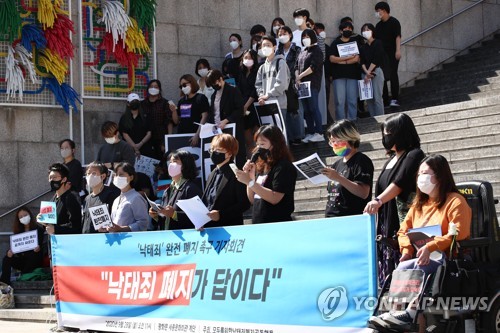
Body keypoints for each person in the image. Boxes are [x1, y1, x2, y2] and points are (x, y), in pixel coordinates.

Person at [368, 154, 472, 328]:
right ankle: (395, 313)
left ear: (439, 176)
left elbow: (459, 234)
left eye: (425, 173)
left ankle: (410, 312)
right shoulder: (419, 204)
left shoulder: (455, 201)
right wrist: (407, 249)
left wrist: (431, 246)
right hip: (422, 256)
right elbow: (403, 231)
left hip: (449, 259)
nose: (420, 178)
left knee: (421, 268)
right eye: (419, 174)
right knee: (402, 267)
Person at [363, 113, 425, 284]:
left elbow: (399, 184)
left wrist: (378, 200)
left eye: (389, 133)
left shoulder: (414, 154)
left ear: (401, 133)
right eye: (383, 134)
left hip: (404, 219)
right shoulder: (391, 159)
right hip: (387, 220)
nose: (385, 138)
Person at [236, 125, 297, 224]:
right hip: (259, 223)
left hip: (277, 223)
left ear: (275, 144)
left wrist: (250, 182)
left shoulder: (283, 166)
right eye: (257, 144)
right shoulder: (261, 165)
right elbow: (253, 199)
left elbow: (275, 198)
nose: (259, 148)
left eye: (262, 144)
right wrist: (250, 177)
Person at [321, 120, 374, 217]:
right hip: (331, 219)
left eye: (339, 140)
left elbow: (363, 193)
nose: (335, 144)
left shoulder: (361, 160)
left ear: (350, 138)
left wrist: (338, 178)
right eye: (332, 141)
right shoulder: (336, 164)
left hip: (351, 218)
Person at [202, 134, 250, 228]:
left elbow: (244, 204)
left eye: (218, 150)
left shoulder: (236, 174)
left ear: (229, 153)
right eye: (212, 149)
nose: (213, 153)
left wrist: (221, 214)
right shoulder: (212, 173)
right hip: (210, 228)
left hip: (229, 229)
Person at [149, 150, 202, 230]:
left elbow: (199, 218)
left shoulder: (191, 189)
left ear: (185, 165)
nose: (171, 164)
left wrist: (174, 214)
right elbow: (166, 219)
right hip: (169, 239)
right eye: (170, 162)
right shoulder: (168, 190)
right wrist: (156, 216)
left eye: (175, 161)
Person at [206, 69, 246, 168]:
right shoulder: (213, 95)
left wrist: (226, 120)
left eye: (214, 83)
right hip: (218, 131)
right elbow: (214, 112)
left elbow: (240, 110)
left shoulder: (233, 90)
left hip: (232, 129)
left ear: (220, 79)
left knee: (236, 156)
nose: (214, 86)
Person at [255, 35, 290, 141]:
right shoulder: (261, 67)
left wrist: (268, 95)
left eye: (268, 45)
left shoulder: (281, 62)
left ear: (274, 46)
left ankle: (284, 156)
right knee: (268, 137)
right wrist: (261, 96)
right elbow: (258, 84)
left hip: (279, 104)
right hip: (265, 105)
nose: (265, 47)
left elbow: (282, 84)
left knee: (280, 134)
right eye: (263, 45)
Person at [1, 207, 44, 285]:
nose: (23, 218)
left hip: (34, 259)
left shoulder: (38, 229)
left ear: (30, 215)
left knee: (34, 254)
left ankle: (24, 274)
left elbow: (40, 246)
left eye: (25, 215)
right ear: (18, 219)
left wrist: (38, 248)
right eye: (21, 217)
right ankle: (4, 283)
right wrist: (9, 253)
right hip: (23, 260)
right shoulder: (18, 232)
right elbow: (14, 248)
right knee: (6, 258)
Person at [329, 21, 362, 121]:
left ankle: (352, 120)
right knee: (339, 101)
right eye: (345, 29)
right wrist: (347, 58)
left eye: (350, 29)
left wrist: (341, 61)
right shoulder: (335, 43)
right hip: (338, 76)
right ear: (340, 31)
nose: (348, 30)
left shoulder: (355, 42)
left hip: (353, 75)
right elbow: (332, 59)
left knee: (352, 100)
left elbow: (356, 59)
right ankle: (341, 122)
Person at [296, 29, 324, 143]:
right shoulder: (302, 52)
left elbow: (313, 67)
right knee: (306, 110)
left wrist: (300, 76)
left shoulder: (317, 50)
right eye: (303, 37)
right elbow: (296, 67)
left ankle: (319, 132)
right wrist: (297, 77)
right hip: (302, 85)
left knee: (314, 107)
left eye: (307, 36)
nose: (305, 39)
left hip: (312, 83)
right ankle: (310, 132)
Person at [276, 26, 303, 145]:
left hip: (293, 82)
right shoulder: (278, 51)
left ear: (290, 34)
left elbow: (299, 64)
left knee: (294, 110)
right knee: (285, 111)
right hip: (282, 84)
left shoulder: (297, 49)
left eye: (284, 33)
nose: (282, 36)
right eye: (280, 34)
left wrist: (297, 77)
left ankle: (298, 136)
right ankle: (290, 137)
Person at [141, 79, 178, 159]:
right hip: (146, 139)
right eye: (151, 86)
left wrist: (167, 141)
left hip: (161, 138)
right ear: (148, 88)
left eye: (156, 86)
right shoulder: (143, 104)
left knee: (162, 162)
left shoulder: (165, 103)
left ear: (159, 89)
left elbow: (170, 122)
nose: (153, 88)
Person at [107, 162, 148, 232]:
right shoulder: (116, 200)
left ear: (131, 177)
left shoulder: (136, 198)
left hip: (130, 241)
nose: (117, 177)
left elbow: (143, 224)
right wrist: (106, 228)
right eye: (116, 175)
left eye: (121, 175)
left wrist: (122, 229)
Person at [375, 1, 402, 108]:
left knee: (393, 74)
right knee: (383, 76)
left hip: (392, 52)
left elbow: (398, 36)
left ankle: (395, 98)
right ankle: (385, 100)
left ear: (384, 10)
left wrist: (398, 50)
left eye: (378, 11)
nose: (377, 13)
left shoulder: (394, 22)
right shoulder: (378, 25)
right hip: (382, 54)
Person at [43, 163, 82, 235]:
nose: (51, 180)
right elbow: (50, 226)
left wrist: (56, 229)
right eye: (50, 178)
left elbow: (76, 226)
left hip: (65, 243)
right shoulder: (52, 200)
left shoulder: (70, 198)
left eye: (54, 177)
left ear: (64, 179)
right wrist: (43, 221)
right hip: (54, 243)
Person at [81, 162, 120, 234]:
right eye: (88, 174)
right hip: (86, 239)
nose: (89, 176)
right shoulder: (87, 198)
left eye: (94, 173)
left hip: (103, 239)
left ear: (103, 176)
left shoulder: (111, 195)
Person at [176, 74, 210, 147]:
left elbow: (205, 117)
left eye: (184, 85)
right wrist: (173, 111)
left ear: (192, 83)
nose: (183, 88)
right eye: (181, 86)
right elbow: (177, 120)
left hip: (196, 136)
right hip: (182, 136)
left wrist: (197, 135)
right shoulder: (181, 101)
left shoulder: (201, 98)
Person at [359, 23, 385, 117]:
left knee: (377, 97)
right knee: (369, 98)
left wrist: (368, 72)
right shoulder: (362, 47)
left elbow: (377, 58)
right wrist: (366, 73)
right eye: (364, 30)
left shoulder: (378, 43)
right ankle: (372, 118)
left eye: (368, 29)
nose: (366, 32)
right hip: (365, 74)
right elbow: (361, 62)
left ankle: (381, 118)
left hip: (376, 71)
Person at [237, 49, 259, 157]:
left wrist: (246, 105)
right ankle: (251, 161)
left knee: (258, 136)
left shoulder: (257, 71)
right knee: (248, 139)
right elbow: (239, 90)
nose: (248, 60)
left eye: (250, 58)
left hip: (254, 105)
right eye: (245, 58)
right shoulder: (241, 73)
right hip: (243, 107)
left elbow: (255, 90)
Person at [119, 93, 154, 158]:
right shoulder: (124, 118)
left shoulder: (146, 116)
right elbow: (125, 134)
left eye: (136, 102)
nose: (134, 103)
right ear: (128, 104)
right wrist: (135, 147)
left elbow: (149, 133)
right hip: (128, 149)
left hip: (145, 149)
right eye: (132, 102)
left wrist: (140, 144)